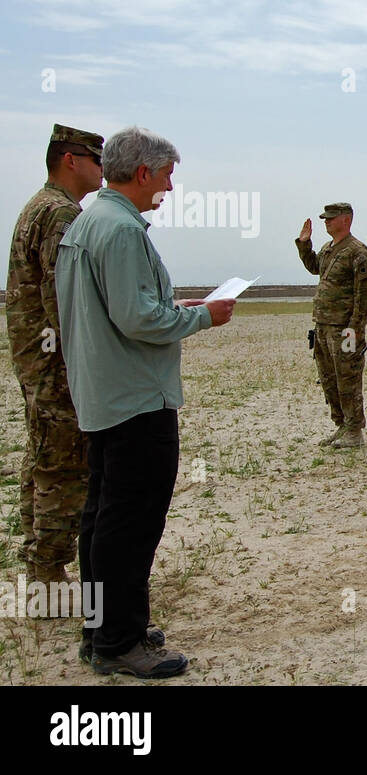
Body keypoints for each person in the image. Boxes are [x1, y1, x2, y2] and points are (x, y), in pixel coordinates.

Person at [55, 126, 236, 678]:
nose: (170, 188)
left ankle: (104, 627)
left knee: (102, 518)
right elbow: (138, 320)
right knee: (129, 524)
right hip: (136, 399)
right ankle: (120, 642)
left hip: (105, 394)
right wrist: (204, 314)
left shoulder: (88, 222)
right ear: (142, 174)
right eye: (166, 176)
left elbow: (120, 307)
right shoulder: (121, 230)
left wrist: (168, 304)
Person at [6, 123, 103, 584]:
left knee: (42, 455)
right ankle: (47, 574)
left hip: (36, 360)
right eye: (96, 160)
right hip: (55, 364)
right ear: (71, 160)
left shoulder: (38, 206)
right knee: (62, 465)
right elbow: (61, 300)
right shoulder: (61, 214)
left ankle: (41, 563)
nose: (103, 170)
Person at [296, 202, 367, 448]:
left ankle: (354, 430)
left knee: (348, 378)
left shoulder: (357, 251)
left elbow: (364, 293)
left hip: (345, 328)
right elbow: (314, 268)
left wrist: (355, 326)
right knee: (329, 378)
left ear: (346, 220)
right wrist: (305, 245)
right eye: (325, 218)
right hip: (323, 326)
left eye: (331, 218)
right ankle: (341, 425)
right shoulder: (328, 249)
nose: (326, 222)